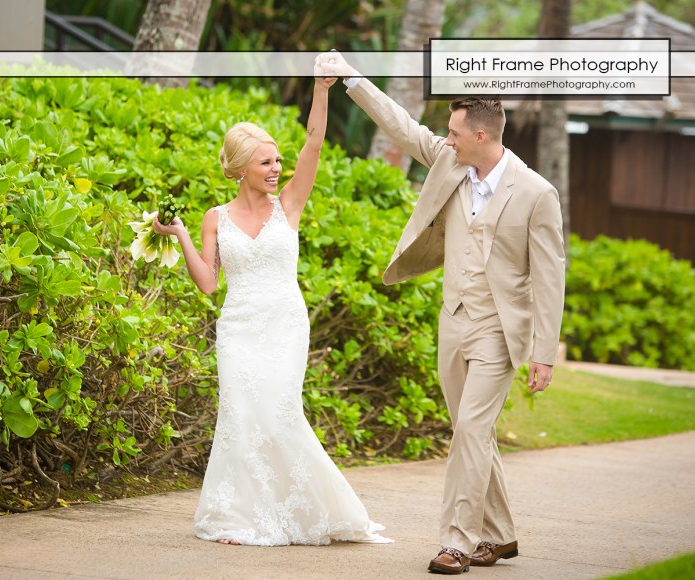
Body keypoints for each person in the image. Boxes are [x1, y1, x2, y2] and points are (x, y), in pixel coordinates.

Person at [316, 51, 565, 573]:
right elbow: (403, 127)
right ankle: (500, 536)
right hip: (454, 320)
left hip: (500, 330)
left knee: (471, 431)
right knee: (471, 431)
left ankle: (458, 541)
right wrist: (352, 79)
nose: (446, 139)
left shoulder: (537, 194)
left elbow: (549, 277)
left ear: (482, 136)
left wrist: (545, 352)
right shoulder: (452, 162)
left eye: (454, 132)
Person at [152, 75, 390, 547]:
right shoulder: (214, 219)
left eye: (279, 160)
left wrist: (321, 89)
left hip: (284, 324)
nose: (277, 168)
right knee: (240, 416)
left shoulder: (289, 206)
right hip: (238, 328)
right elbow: (207, 284)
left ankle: (308, 510)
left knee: (279, 414)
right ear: (242, 167)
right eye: (267, 161)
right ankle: (240, 515)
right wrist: (178, 234)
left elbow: (314, 144)